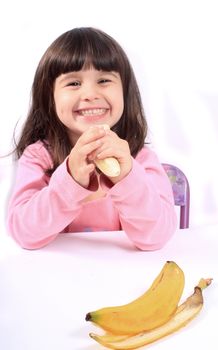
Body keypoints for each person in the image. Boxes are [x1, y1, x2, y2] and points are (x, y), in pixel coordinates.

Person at [7, 27, 177, 250]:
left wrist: (127, 177)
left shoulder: (140, 159)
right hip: (58, 275)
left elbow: (157, 237)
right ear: (50, 97)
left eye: (104, 80)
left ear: (125, 92)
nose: (90, 94)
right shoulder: (39, 157)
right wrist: (71, 180)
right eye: (74, 83)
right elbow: (24, 233)